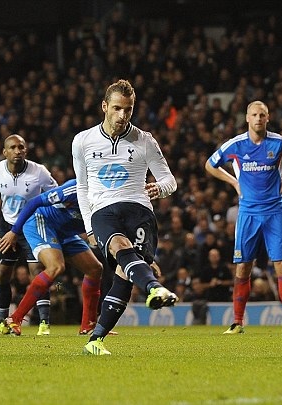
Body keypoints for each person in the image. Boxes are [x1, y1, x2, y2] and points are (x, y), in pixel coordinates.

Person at [73, 79, 178, 355]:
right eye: (117, 108)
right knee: (121, 247)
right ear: (104, 106)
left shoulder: (144, 140)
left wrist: (160, 188)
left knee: (125, 275)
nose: (122, 116)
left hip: (140, 209)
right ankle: (155, 288)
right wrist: (88, 226)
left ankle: (95, 341)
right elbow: (82, 186)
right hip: (104, 210)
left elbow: (170, 181)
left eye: (128, 110)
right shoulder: (82, 141)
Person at [205, 100, 282, 335]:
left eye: (262, 115)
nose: (258, 119)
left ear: (268, 118)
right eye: (254, 115)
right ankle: (237, 322)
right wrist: (233, 181)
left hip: (274, 211)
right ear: (247, 118)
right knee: (243, 267)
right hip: (248, 213)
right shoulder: (236, 145)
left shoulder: (280, 143)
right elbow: (210, 164)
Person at [0, 179, 103, 335]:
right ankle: (14, 319)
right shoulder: (76, 188)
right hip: (42, 222)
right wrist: (14, 231)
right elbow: (34, 202)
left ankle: (88, 325)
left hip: (66, 234)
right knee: (56, 267)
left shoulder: (109, 200)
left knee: (95, 269)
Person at [0, 134, 58, 336]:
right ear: (5, 152)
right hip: (6, 226)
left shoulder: (39, 172)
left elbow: (56, 195)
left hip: (32, 226)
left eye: (21, 147)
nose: (17, 151)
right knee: (2, 274)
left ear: (26, 150)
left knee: (38, 271)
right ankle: (3, 322)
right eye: (13, 147)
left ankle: (44, 323)